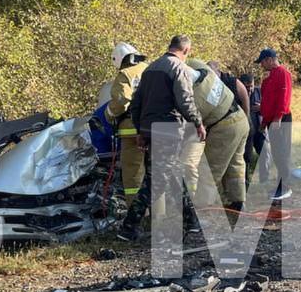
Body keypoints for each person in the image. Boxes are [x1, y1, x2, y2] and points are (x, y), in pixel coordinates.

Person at [115, 35, 206, 242]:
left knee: (173, 176)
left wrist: (141, 131)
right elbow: (185, 100)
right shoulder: (178, 68)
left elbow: (136, 104)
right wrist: (198, 122)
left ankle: (191, 222)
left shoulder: (150, 69)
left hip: (151, 130)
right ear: (186, 50)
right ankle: (129, 226)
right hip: (169, 131)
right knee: (156, 180)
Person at [197, 61, 251, 217]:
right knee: (235, 164)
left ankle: (203, 207)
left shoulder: (204, 86)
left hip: (225, 126)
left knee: (210, 167)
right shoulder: (214, 83)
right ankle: (238, 201)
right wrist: (246, 119)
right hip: (239, 120)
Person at [105, 42, 148, 203]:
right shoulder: (150, 68)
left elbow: (121, 102)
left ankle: (137, 215)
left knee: (133, 173)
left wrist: (108, 114)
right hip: (155, 128)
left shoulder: (125, 74)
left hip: (132, 131)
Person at [256, 48, 293, 202]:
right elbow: (267, 102)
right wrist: (264, 122)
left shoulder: (283, 73)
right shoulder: (268, 79)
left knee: (282, 153)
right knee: (277, 154)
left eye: (263, 62)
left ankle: (286, 186)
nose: (262, 65)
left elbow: (284, 97)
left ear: (270, 59)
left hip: (281, 120)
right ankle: (280, 184)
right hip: (271, 120)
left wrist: (278, 117)